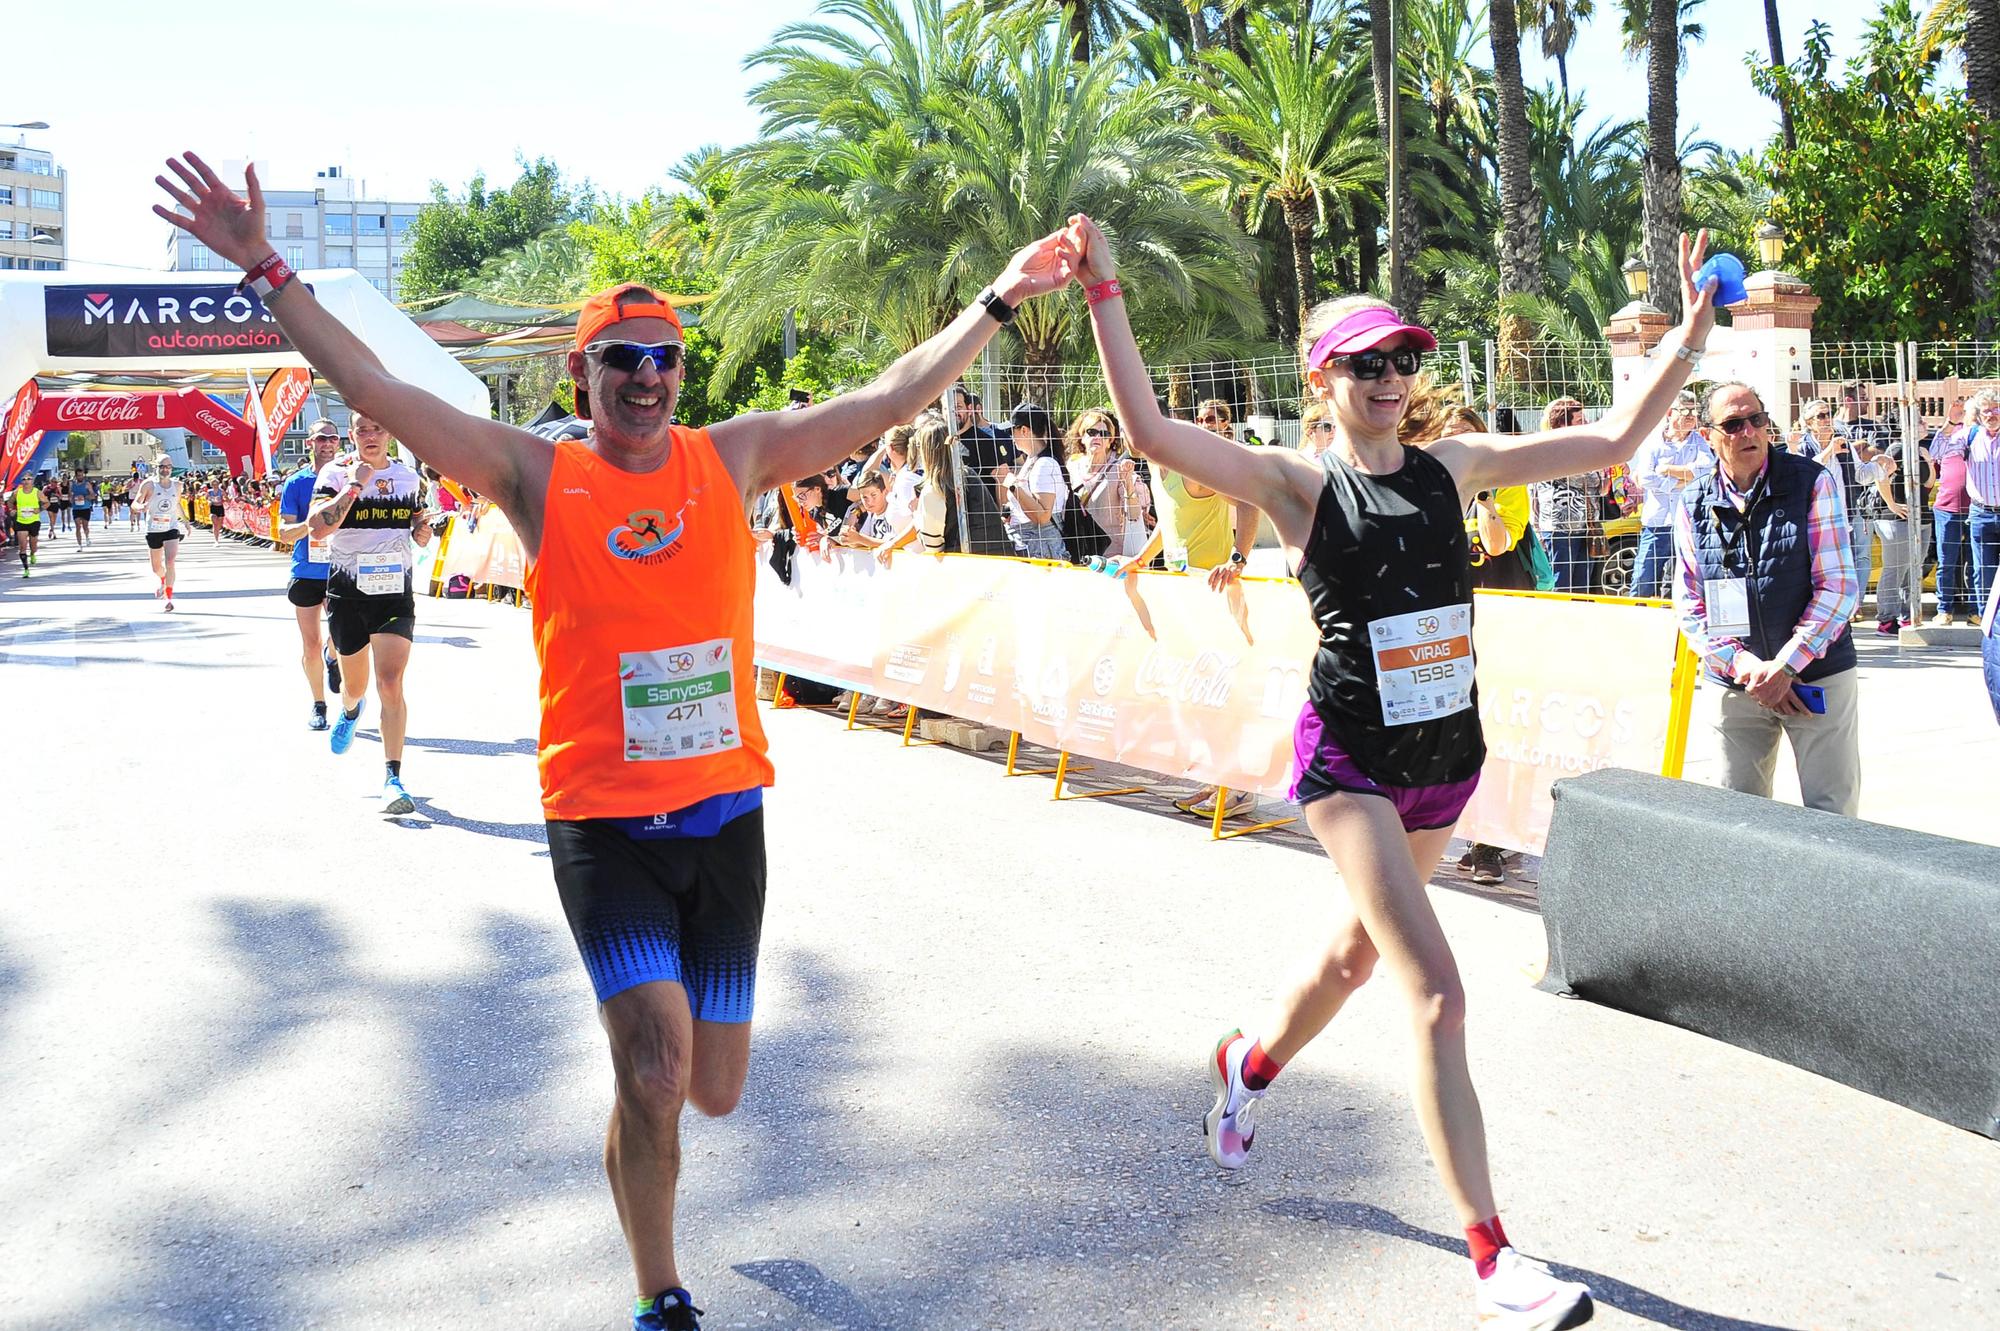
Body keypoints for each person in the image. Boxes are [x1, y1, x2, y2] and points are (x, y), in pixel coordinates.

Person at [155, 150, 1077, 1331]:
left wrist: (999, 293)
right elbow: (382, 393)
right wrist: (267, 271)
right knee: (652, 1072)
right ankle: (661, 1290)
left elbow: (891, 397)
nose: (646, 379)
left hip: (726, 810)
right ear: (578, 371)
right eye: (619, 360)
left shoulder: (729, 456)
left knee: (715, 1088)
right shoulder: (534, 474)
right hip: (600, 819)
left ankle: (650, 1137)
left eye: (663, 359)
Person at [1072, 210, 1721, 1331]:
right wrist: (1104, 291)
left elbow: (1615, 441)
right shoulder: (1296, 485)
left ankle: (1248, 1062)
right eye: (1364, 362)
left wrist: (1696, 327)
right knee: (1435, 989)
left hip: (1443, 761)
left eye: (1402, 359)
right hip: (1350, 765)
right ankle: (1491, 1257)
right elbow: (1144, 426)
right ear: (1321, 377)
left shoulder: (1451, 466)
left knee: (1350, 961)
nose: (1388, 378)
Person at [1673, 382, 1861, 817]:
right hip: (1736, 683)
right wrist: (1746, 667)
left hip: (1817, 675)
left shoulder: (1812, 481)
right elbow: (1690, 602)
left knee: (1833, 817)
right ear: (1707, 435)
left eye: (1757, 419)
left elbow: (1837, 585)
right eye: (1733, 424)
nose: (1748, 432)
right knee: (1739, 820)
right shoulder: (1693, 501)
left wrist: (1786, 665)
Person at [307, 411, 434, 813]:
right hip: (347, 593)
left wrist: (422, 531)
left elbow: (416, 519)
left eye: (377, 428)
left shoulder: (410, 479)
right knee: (357, 688)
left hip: (394, 593)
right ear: (352, 435)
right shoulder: (334, 473)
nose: (370, 435)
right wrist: (355, 485)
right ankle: (349, 710)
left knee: (391, 683)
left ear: (390, 432)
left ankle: (393, 779)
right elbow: (317, 528)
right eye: (362, 429)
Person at [276, 421, 345, 730]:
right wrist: (313, 524)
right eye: (321, 438)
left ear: (340, 442)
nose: (327, 443)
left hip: (342, 569)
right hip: (307, 570)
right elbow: (283, 531)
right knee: (310, 643)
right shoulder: (296, 483)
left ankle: (334, 657)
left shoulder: (349, 478)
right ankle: (318, 705)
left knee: (343, 637)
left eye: (333, 438)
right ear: (309, 443)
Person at [1626, 390, 1712, 598]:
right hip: (1658, 522)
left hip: (1687, 522)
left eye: (1694, 411)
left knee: (1679, 579)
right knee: (1644, 577)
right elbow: (1645, 478)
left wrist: (1667, 469)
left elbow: (1707, 471)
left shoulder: (1698, 441)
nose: (1691, 415)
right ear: (1670, 413)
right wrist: (1682, 480)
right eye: (1685, 410)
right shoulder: (1652, 442)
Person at [1529, 398, 1605, 593]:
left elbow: (1599, 485)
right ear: (1562, 423)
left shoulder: (1585, 449)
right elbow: (1581, 477)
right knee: (1560, 585)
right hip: (1559, 529)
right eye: (1579, 420)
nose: (1585, 424)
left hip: (1586, 527)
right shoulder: (1549, 449)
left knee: (1582, 587)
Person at [1863, 441, 1928, 636]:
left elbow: (1929, 483)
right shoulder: (1898, 449)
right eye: (1920, 422)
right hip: (1896, 520)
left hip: (1922, 518)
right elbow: (1881, 476)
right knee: (1895, 570)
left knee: (1914, 568)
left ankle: (1908, 615)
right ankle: (1886, 620)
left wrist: (1929, 460)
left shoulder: (1921, 451)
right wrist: (1891, 504)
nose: (1924, 425)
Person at [1063, 408, 1147, 557]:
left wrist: (1128, 482)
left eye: (1104, 434)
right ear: (1081, 437)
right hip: (1075, 550)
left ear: (1110, 442)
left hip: (1109, 554)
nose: (1097, 437)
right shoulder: (1071, 466)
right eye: (1091, 432)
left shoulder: (1118, 470)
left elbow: (1134, 515)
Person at [993, 401, 1069, 561]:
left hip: (1041, 552)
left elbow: (1042, 516)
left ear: (1024, 430)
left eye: (1011, 431)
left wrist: (1013, 486)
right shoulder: (1033, 461)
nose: (1010, 436)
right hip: (1033, 548)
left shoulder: (1044, 464)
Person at [1929, 397, 1977, 624]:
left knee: (1976, 563)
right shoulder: (1953, 435)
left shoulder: (1986, 437)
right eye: (1972, 412)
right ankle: (1944, 609)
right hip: (1948, 508)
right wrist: (1950, 421)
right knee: (1946, 562)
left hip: (1978, 509)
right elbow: (1934, 451)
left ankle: (1976, 610)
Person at [133, 456, 184, 607]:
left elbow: (178, 504)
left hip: (171, 528)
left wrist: (186, 522)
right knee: (156, 567)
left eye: (168, 467)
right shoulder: (148, 484)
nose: (165, 469)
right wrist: (140, 507)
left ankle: (168, 598)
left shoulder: (178, 485)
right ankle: (163, 580)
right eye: (162, 466)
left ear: (171, 468)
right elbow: (135, 503)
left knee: (170, 562)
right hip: (154, 529)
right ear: (157, 467)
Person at [1964, 392, 2000, 608]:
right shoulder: (1969, 436)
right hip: (1981, 514)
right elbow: (1938, 450)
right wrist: (1952, 422)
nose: (1991, 414)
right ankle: (1988, 629)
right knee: (1983, 573)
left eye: (1995, 409)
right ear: (1979, 414)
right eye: (1986, 410)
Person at [11, 472, 43, 575]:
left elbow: (47, 503)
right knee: (22, 546)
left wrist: (40, 509)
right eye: (24, 479)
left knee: (33, 545)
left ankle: (33, 554)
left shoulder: (37, 492)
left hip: (34, 521)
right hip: (21, 521)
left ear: (32, 481)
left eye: (28, 479)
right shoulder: (17, 492)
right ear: (21, 481)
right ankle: (26, 569)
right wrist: (12, 509)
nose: (26, 481)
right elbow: (10, 502)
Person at [71, 476, 96, 548]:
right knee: (77, 526)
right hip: (76, 508)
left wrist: (84, 497)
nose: (80, 477)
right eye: (78, 475)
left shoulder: (87, 484)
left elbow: (93, 496)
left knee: (85, 526)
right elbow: (70, 496)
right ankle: (80, 545)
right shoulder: (72, 485)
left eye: (81, 475)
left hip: (85, 508)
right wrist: (72, 498)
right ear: (76, 476)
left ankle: (87, 537)